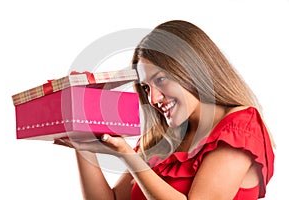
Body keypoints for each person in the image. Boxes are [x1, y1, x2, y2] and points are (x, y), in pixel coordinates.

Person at [55, 20, 274, 199]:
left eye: (160, 79)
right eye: (146, 87)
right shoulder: (161, 139)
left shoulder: (239, 128)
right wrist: (82, 144)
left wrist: (126, 155)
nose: (153, 98)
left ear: (193, 70)